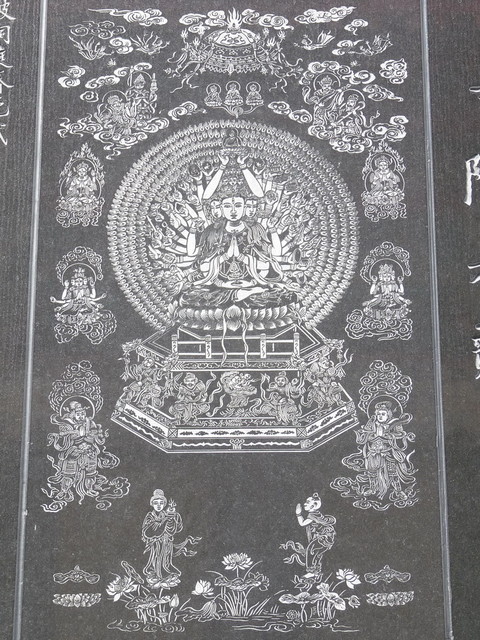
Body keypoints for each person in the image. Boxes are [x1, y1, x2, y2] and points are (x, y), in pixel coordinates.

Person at [357, 401, 415, 500]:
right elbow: (366, 434)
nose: (380, 416)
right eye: (378, 414)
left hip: (387, 450)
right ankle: (372, 488)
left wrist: (390, 435)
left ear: (388, 414)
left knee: (392, 472)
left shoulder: (394, 423)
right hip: (373, 451)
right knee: (372, 471)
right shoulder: (372, 423)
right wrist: (369, 435)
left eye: (383, 414)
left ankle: (398, 490)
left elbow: (401, 434)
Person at [142, 489, 184, 588]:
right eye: (156, 503)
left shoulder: (166, 514)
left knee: (166, 557)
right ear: (152, 504)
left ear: (164, 504)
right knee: (157, 557)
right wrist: (164, 521)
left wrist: (171, 519)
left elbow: (171, 530)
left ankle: (166, 569)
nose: (158, 505)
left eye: (161, 503)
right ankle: (159, 573)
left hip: (166, 541)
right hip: (156, 543)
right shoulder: (150, 516)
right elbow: (148, 531)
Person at [295, 494, 336, 576]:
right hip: (327, 536)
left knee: (311, 550)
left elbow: (302, 523)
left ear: (313, 506)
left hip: (324, 536)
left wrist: (298, 514)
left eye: (307, 502)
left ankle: (311, 571)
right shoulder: (316, 513)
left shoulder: (313, 515)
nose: (304, 504)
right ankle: (316, 571)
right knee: (317, 553)